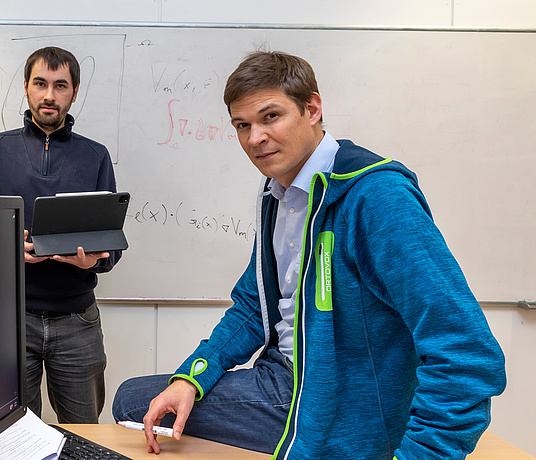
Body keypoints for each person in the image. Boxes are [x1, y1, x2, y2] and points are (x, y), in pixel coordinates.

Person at [111, 50, 506, 459]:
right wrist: (192, 378)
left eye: (270, 117)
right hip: (284, 379)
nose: (254, 138)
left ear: (312, 108)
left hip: (337, 400)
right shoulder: (278, 193)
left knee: (133, 402)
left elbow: (467, 355)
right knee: (139, 400)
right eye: (242, 125)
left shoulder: (377, 198)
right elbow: (254, 308)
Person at [0, 46, 121, 423]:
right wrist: (8, 250)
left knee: (85, 431)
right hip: (12, 320)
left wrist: (96, 259)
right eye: (40, 83)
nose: (49, 95)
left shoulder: (96, 156)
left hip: (77, 322)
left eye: (60, 85)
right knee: (13, 432)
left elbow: (112, 244)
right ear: (26, 87)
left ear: (74, 91)